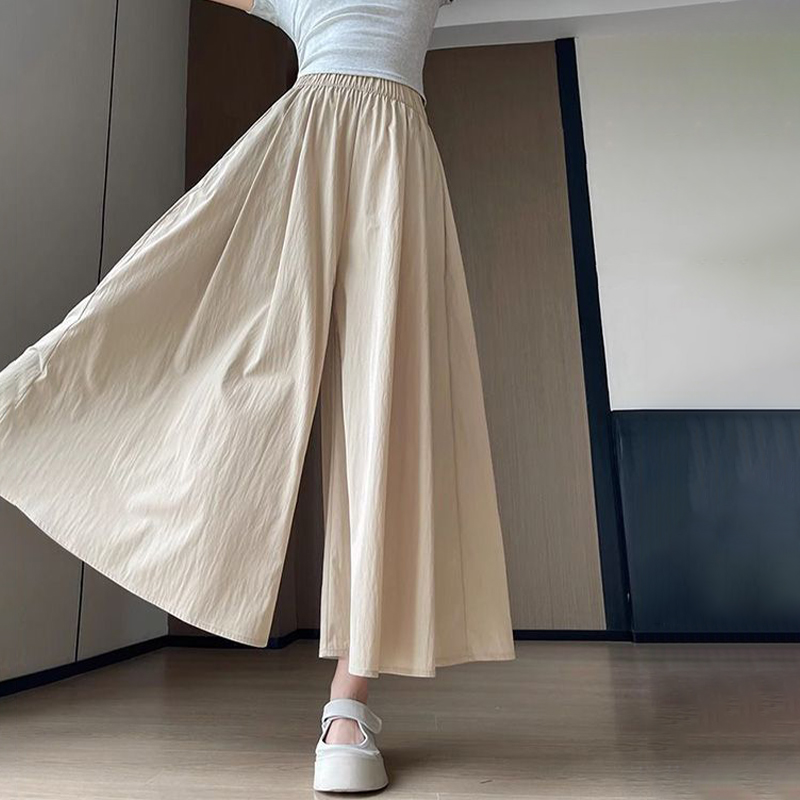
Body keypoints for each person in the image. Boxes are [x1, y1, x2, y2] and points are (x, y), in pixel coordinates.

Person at [0, 0, 516, 792]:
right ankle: (26, 416)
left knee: (388, 414)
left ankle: (347, 706)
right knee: (228, 358)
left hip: (397, 167)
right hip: (299, 156)